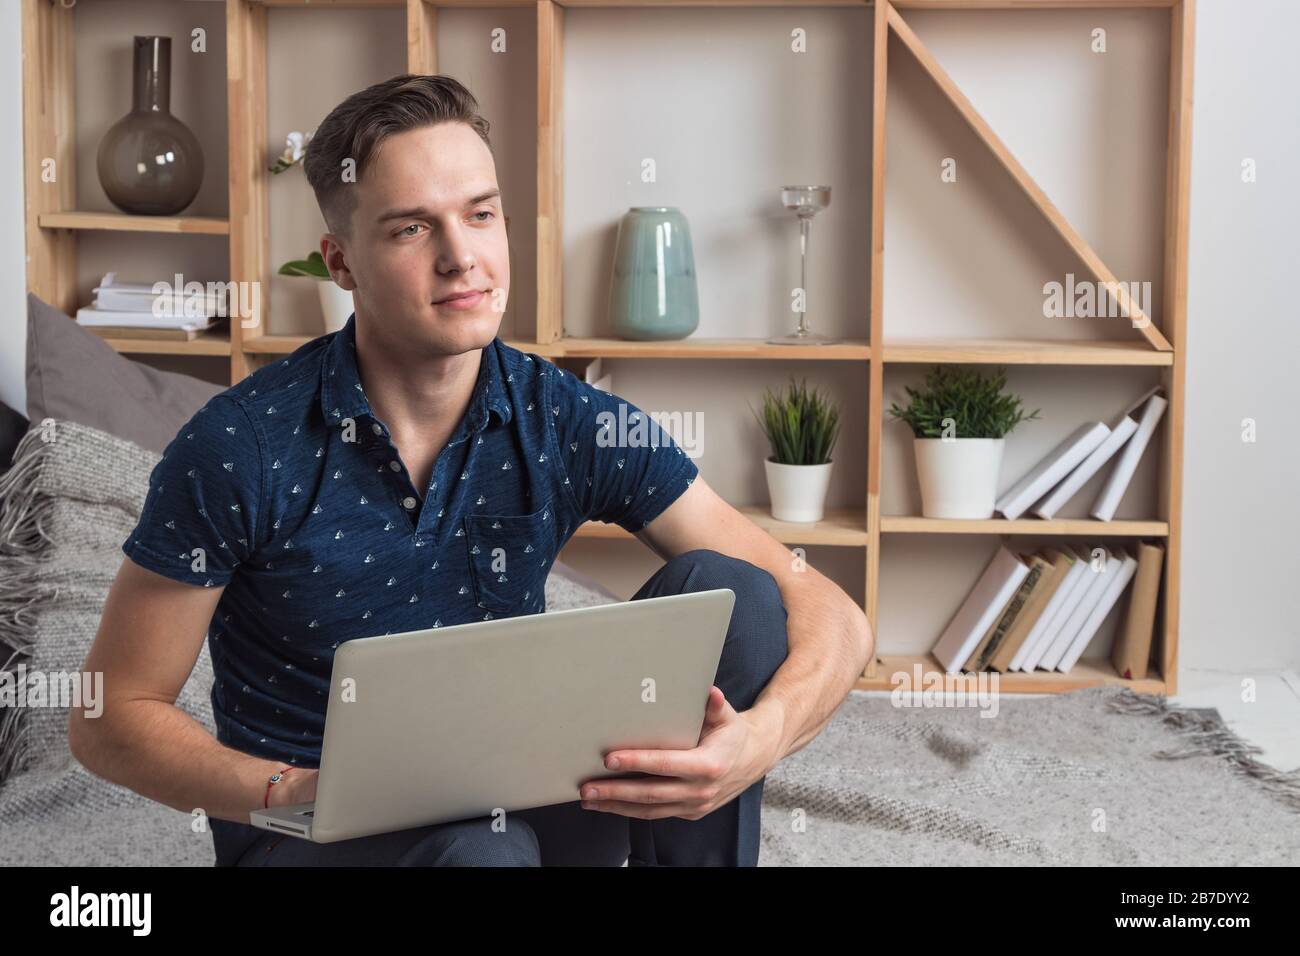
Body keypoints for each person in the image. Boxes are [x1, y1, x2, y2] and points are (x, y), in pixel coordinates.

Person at [68, 74, 873, 867]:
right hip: (318, 831)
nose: (463, 257)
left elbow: (828, 610)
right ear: (340, 262)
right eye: (412, 229)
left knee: (737, 593)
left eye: (481, 215)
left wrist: (755, 745)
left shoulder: (564, 417)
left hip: (522, 790)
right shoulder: (238, 447)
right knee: (482, 851)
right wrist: (287, 791)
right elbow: (110, 717)